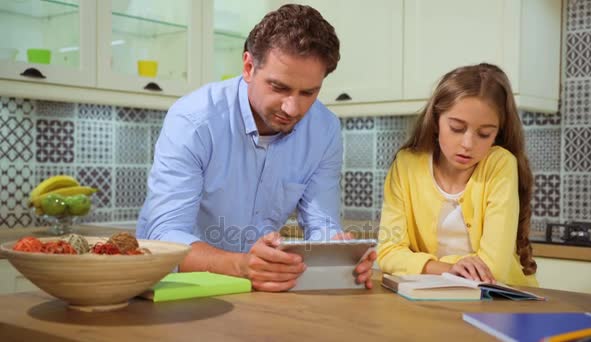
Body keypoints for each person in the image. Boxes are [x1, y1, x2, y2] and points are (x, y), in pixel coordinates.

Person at [136, 4, 376, 292]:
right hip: (179, 289)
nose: (292, 107)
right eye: (279, 87)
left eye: (308, 92)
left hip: (258, 289)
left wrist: (340, 255)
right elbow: (164, 237)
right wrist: (241, 265)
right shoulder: (194, 120)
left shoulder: (324, 130)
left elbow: (322, 223)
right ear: (249, 67)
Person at [377, 63, 537, 286]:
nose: (467, 144)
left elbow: (494, 269)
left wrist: (421, 265)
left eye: (484, 134)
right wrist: (450, 268)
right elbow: (387, 253)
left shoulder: (500, 164)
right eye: (457, 128)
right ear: (435, 121)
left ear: (497, 133)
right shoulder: (406, 165)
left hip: (500, 301)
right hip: (433, 300)